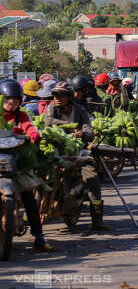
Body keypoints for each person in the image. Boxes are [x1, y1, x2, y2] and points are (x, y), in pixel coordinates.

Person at [0, 79, 56, 252]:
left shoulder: (21, 115)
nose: (12, 103)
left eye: (16, 100)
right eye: (8, 99)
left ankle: (39, 237)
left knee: (29, 198)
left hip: (16, 162)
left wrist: (33, 134)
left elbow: (29, 126)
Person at [44, 82, 110, 231]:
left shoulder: (80, 110)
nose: (57, 98)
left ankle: (97, 219)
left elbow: (89, 131)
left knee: (92, 180)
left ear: (69, 97)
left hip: (78, 152)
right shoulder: (51, 108)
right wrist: (72, 127)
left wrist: (82, 133)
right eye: (55, 95)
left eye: (61, 95)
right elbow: (48, 123)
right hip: (56, 152)